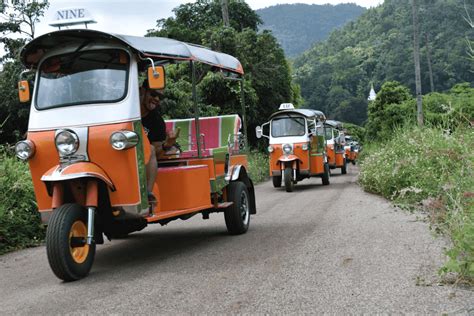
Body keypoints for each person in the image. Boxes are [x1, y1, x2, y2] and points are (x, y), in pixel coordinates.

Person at [140, 80, 166, 202]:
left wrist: (167, 145)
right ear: (142, 91)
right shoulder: (125, 111)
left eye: (160, 97)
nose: (156, 99)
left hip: (141, 159)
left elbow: (157, 150)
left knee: (149, 149)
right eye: (153, 94)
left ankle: (148, 195)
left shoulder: (157, 120)